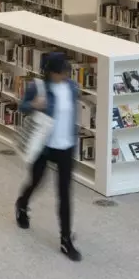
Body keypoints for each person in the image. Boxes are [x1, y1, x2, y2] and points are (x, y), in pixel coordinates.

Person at [15, 52, 82, 261]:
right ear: (51, 72)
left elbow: (72, 114)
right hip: (44, 147)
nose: (66, 74)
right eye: (61, 71)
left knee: (64, 193)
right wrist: (34, 105)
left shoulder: (71, 87)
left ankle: (65, 240)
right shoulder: (38, 87)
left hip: (66, 146)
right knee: (36, 181)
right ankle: (22, 203)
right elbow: (22, 107)